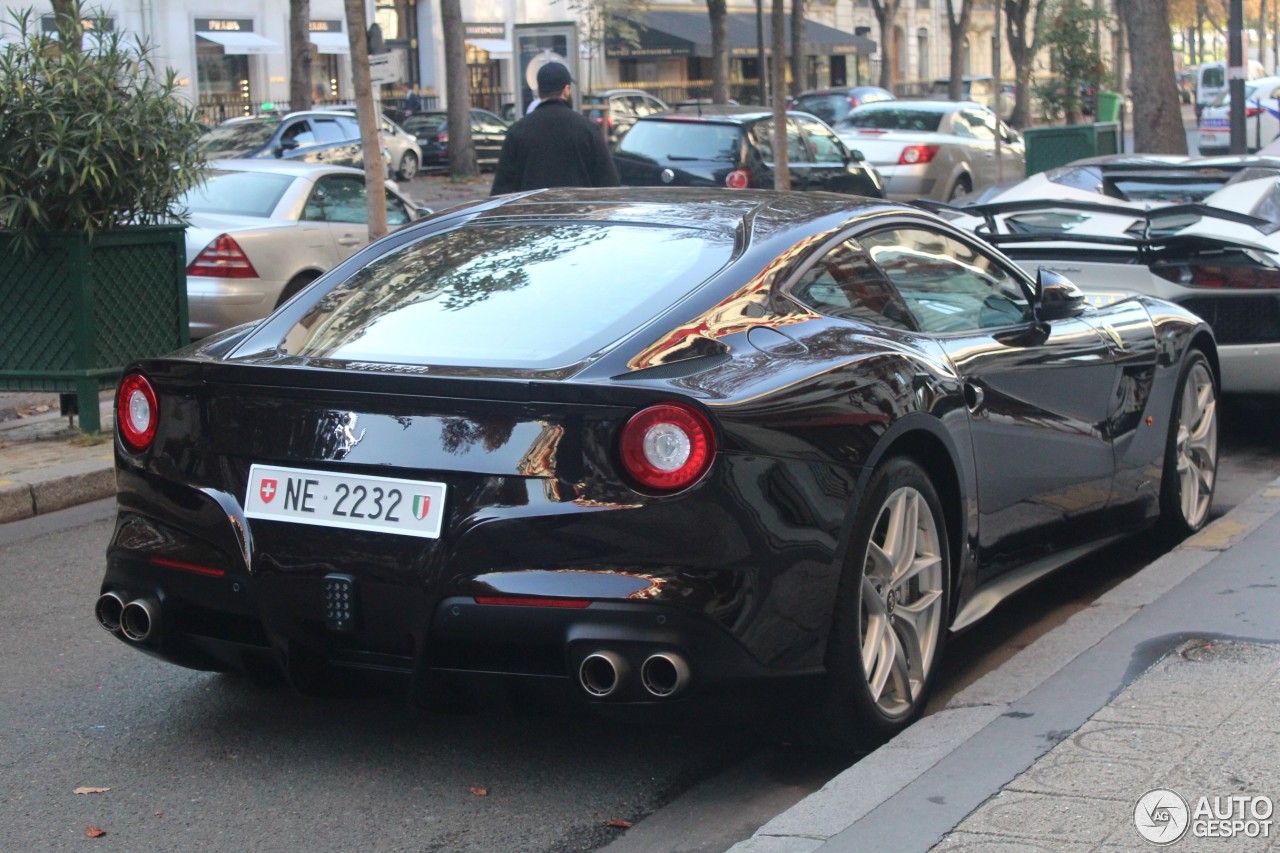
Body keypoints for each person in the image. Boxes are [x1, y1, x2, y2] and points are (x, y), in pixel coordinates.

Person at [490, 62, 619, 195]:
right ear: (567, 90)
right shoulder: (588, 129)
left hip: (532, 212)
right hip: (578, 212)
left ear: (539, 92)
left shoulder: (517, 131)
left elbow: (501, 190)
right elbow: (609, 184)